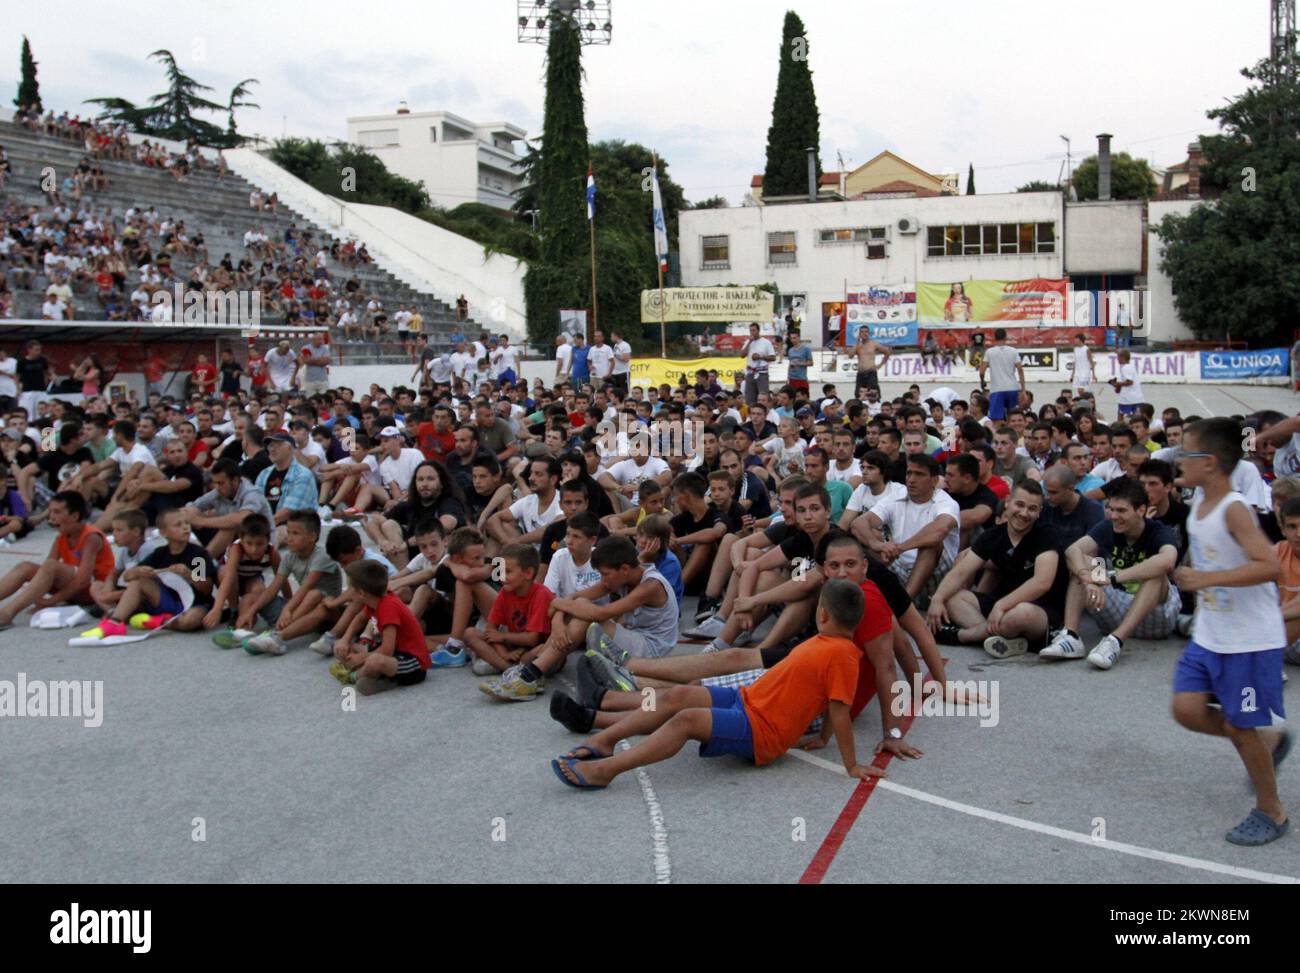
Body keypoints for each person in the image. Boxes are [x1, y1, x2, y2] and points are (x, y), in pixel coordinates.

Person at [550, 580, 884, 790]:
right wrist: (822, 736)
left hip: (761, 729)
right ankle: (606, 741)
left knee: (686, 720)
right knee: (680, 695)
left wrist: (851, 764)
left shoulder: (843, 655)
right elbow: (830, 702)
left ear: (822, 613)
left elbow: (840, 709)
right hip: (747, 699)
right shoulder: (828, 642)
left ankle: (606, 770)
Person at [1171, 417, 1291, 846]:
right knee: (1186, 709)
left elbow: (1269, 566)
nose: (1177, 460)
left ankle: (1271, 811)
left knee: (1241, 728)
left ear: (1211, 462)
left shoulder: (1234, 507)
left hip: (1249, 641)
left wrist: (1204, 581)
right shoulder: (1198, 504)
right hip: (1211, 633)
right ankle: (1266, 740)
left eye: (1185, 453)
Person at [1045, 478, 1182, 669]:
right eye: (1111, 508)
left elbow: (1167, 561)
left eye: (1121, 510)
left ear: (1141, 510)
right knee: (1082, 564)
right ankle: (1071, 637)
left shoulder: (1158, 531)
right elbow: (1073, 551)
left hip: (1156, 617)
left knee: (1157, 575)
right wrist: (1089, 581)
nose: (1114, 516)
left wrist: (1112, 577)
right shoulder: (1107, 526)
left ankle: (1115, 642)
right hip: (1116, 606)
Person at [927, 479, 1066, 658]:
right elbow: (961, 572)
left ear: (1039, 512)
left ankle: (963, 636)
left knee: (1019, 613)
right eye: (1020, 505)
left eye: (1032, 509)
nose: (1024, 513)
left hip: (1039, 612)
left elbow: (1042, 583)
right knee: (951, 597)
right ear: (1008, 502)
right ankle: (1000, 638)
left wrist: (1001, 605)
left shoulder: (1047, 534)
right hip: (1001, 607)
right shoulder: (993, 535)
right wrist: (937, 599)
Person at [79, 507, 217, 640]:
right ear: (163, 533)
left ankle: (159, 621)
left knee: (192, 621)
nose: (186, 527)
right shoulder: (160, 553)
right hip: (167, 601)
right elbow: (128, 577)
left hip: (194, 603)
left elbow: (207, 588)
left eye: (187, 523)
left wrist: (190, 575)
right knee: (138, 580)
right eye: (178, 525)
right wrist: (138, 571)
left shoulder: (198, 554)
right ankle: (115, 622)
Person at [0, 491, 112, 630]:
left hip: (94, 591)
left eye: (57, 512)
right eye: (51, 511)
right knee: (25, 567)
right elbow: (44, 573)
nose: (51, 517)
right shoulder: (61, 537)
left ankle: (6, 614)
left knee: (51, 565)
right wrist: (36, 592)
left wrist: (50, 601)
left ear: (75, 516)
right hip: (73, 587)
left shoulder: (91, 537)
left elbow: (83, 580)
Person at [242, 509, 344, 655]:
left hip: (328, 610)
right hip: (302, 606)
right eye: (288, 532)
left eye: (295, 534)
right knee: (252, 598)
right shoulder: (290, 557)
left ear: (312, 537)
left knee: (314, 594)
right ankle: (243, 629)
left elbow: (307, 587)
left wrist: (287, 610)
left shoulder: (322, 556)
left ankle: (277, 636)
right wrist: (250, 612)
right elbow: (273, 588)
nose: (289, 538)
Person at [329, 560, 432, 694]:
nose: (348, 592)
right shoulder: (374, 600)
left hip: (413, 663)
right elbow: (359, 619)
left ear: (361, 593)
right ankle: (374, 676)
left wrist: (362, 658)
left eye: (350, 588)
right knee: (341, 646)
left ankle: (356, 676)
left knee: (374, 662)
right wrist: (345, 639)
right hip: (393, 652)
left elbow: (387, 650)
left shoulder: (388, 606)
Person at [466, 543, 555, 692]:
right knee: (470, 634)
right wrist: (504, 653)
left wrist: (502, 637)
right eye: (500, 571)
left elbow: (532, 639)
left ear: (527, 573)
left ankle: (502, 666)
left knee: (541, 650)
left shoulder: (541, 594)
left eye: (508, 572)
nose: (501, 577)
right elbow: (490, 630)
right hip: (515, 649)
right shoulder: (505, 592)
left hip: (536, 652)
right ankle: (509, 669)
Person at [978, 328, 1025, 422]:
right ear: (1005, 337)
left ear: (994, 338)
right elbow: (1020, 370)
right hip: (1012, 388)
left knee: (996, 420)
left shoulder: (990, 352)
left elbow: (982, 371)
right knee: (1013, 418)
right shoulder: (1013, 351)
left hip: (997, 389)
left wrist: (982, 382)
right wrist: (1023, 390)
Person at [740, 323, 775, 407]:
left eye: (754, 330)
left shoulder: (766, 342)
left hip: (762, 373)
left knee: (763, 397)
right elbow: (742, 355)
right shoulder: (748, 342)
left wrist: (760, 357)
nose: (752, 332)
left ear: (758, 331)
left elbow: (773, 357)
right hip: (750, 373)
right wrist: (749, 342)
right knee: (750, 398)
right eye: (750, 330)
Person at [853, 330, 890, 394]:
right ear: (859, 334)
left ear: (869, 334)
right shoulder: (857, 345)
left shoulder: (874, 344)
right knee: (858, 394)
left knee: (873, 393)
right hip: (860, 373)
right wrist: (856, 342)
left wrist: (881, 364)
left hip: (871, 373)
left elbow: (887, 352)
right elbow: (850, 355)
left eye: (866, 332)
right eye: (862, 332)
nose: (864, 333)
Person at [1110, 349, 1143, 419]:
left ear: (1122, 358)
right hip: (1137, 397)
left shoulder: (1125, 368)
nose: (1117, 359)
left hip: (1127, 399)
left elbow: (1130, 382)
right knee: (1136, 418)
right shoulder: (1131, 366)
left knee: (1120, 417)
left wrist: (1117, 384)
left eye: (1118, 357)